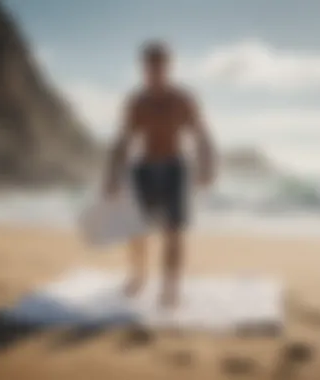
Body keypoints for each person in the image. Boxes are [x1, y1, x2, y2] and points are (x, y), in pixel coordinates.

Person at [104, 41, 217, 308]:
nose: (155, 71)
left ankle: (170, 287)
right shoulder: (137, 102)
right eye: (150, 66)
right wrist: (111, 176)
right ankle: (138, 275)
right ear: (144, 68)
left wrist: (206, 165)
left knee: (173, 230)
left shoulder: (182, 99)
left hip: (175, 166)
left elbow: (201, 135)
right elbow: (123, 140)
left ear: (168, 67)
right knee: (136, 229)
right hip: (144, 167)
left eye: (160, 65)